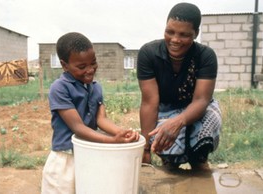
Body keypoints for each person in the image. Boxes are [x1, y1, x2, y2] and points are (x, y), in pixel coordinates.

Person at [41, 32, 140, 194]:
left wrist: (122, 133)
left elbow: (101, 119)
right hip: (66, 160)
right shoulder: (60, 88)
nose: (90, 70)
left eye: (93, 63)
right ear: (64, 65)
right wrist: (112, 141)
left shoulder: (95, 87)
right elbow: (78, 127)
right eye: (81, 67)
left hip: (90, 155)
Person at [137, 2, 222, 169]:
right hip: (165, 110)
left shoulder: (205, 56)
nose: (175, 40)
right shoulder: (149, 54)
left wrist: (178, 122)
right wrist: (145, 147)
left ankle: (199, 163)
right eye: (170, 32)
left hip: (197, 109)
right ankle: (170, 163)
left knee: (201, 144)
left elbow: (201, 100)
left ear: (195, 33)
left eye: (184, 34)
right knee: (165, 148)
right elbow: (149, 102)